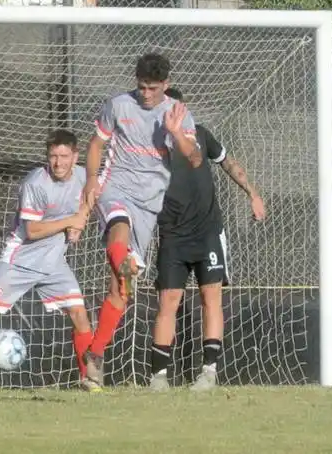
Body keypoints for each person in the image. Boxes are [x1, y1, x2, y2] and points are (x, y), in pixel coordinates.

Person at [0, 129, 95, 397]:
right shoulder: (35, 183)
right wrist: (70, 222)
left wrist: (82, 216)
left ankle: (90, 379)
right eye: (53, 156)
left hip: (54, 263)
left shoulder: (83, 176)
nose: (58, 163)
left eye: (64, 156)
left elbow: (92, 195)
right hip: (20, 261)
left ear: (76, 156)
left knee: (79, 314)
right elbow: (32, 231)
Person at [81, 53, 201, 389]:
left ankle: (96, 355)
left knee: (120, 292)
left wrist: (176, 133)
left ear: (165, 84)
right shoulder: (118, 105)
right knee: (118, 225)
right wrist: (91, 179)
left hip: (150, 204)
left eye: (151, 88)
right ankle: (123, 263)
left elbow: (194, 159)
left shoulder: (177, 113)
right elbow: (95, 145)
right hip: (115, 186)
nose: (145, 94)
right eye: (140, 87)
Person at [149, 87, 266, 392]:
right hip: (172, 234)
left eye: (178, 107)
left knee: (210, 297)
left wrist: (252, 194)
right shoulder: (151, 144)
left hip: (207, 233)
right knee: (168, 301)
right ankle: (158, 378)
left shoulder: (201, 134)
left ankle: (209, 372)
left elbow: (227, 162)